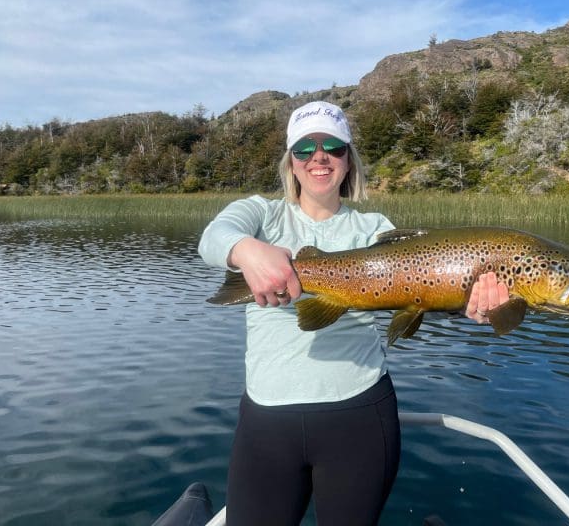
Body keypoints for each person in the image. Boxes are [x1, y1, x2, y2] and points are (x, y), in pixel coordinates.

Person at [198, 101, 509, 526]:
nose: (319, 157)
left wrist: (472, 305)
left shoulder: (376, 229)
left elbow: (420, 290)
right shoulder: (260, 215)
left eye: (333, 147)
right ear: (291, 161)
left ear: (349, 161)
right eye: (305, 148)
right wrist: (247, 252)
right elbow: (213, 238)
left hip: (359, 417)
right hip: (266, 422)